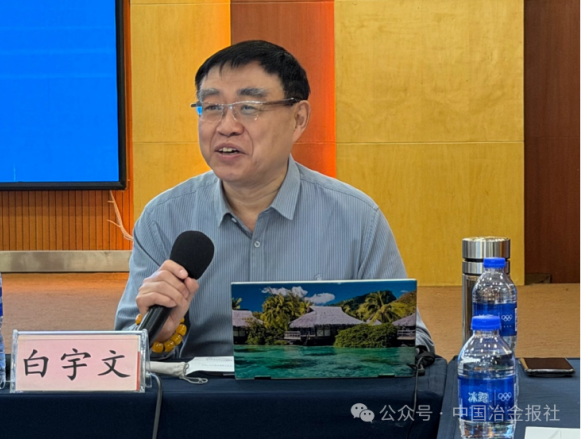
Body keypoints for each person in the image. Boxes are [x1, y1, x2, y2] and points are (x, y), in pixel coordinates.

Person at [115, 40, 434, 357]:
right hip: (202, 389)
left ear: (298, 118)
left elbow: (414, 340)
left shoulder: (357, 217)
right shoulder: (164, 218)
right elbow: (123, 351)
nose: (227, 126)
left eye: (249, 108)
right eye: (212, 107)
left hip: (322, 388)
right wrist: (160, 333)